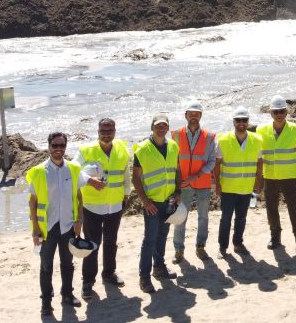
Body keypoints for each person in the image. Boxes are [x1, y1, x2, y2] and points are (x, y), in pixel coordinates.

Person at [27, 132, 85, 316]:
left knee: (67, 264)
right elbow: (33, 202)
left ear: (65, 147)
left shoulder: (74, 169)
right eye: (55, 145)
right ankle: (46, 303)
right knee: (46, 267)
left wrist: (79, 221)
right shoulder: (37, 172)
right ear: (49, 146)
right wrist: (35, 229)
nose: (58, 149)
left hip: (68, 226)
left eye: (61, 145)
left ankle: (67, 294)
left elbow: (79, 197)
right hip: (47, 229)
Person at [75, 118, 131, 298]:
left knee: (111, 242)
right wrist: (90, 180)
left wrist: (127, 195)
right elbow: (72, 170)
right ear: (97, 132)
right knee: (92, 245)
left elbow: (126, 174)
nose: (106, 134)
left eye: (109, 131)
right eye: (103, 131)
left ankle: (109, 273)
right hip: (92, 207)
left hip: (115, 206)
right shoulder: (87, 150)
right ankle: (88, 282)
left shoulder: (122, 148)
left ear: (115, 131)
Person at [132, 113, 182, 293]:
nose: (161, 128)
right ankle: (144, 277)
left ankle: (159, 268)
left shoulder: (174, 146)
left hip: (168, 201)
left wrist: (178, 191)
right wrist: (144, 201)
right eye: (158, 126)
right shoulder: (142, 149)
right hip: (152, 203)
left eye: (164, 125)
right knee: (150, 239)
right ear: (152, 128)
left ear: (168, 128)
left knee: (162, 235)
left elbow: (177, 171)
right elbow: (135, 178)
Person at [256, 95, 296, 252]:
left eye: (282, 111)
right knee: (271, 209)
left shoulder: (295, 130)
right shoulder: (261, 130)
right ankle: (275, 237)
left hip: (290, 178)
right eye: (276, 111)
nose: (279, 114)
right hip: (270, 177)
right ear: (270, 113)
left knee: (294, 209)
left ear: (286, 112)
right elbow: (257, 156)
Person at [214, 106, 264, 257]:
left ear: (248, 122)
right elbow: (217, 164)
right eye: (238, 120)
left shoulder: (257, 140)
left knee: (241, 218)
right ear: (233, 122)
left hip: (246, 187)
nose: (241, 123)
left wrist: (258, 182)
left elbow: (259, 163)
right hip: (228, 187)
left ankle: (238, 243)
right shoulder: (223, 140)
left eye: (244, 120)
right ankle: (222, 248)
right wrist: (217, 184)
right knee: (226, 219)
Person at [171, 99, 217, 263]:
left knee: (203, 217)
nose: (193, 117)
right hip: (183, 185)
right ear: (185, 115)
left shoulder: (210, 137)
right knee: (180, 217)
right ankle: (178, 250)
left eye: (196, 114)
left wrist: (196, 175)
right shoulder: (175, 134)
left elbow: (212, 161)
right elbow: (172, 160)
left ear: (201, 116)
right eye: (191, 114)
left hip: (202, 184)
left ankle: (200, 247)